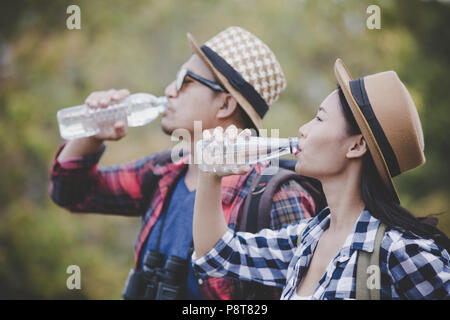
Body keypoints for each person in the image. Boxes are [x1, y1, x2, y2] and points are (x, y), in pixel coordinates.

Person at [49, 26, 318, 299]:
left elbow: (307, 288)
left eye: (184, 81)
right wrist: (92, 134)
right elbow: (70, 193)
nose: (169, 91)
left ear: (225, 105)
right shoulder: (164, 172)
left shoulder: (274, 195)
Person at [192, 58, 450, 299]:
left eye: (319, 118)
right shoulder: (309, 237)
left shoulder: (400, 252)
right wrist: (210, 175)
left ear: (356, 146)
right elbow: (217, 255)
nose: (303, 130)